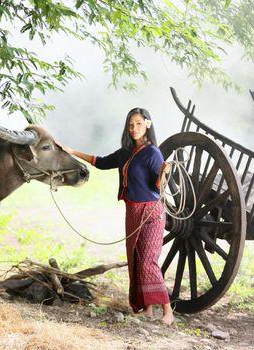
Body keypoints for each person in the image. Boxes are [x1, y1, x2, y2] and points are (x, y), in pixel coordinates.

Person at [58, 107, 174, 325]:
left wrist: (163, 172)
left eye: (139, 123)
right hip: (132, 211)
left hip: (151, 212)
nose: (134, 128)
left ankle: (167, 310)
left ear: (147, 124)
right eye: (131, 124)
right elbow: (100, 162)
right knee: (137, 260)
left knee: (149, 261)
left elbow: (158, 186)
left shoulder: (153, 153)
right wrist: (72, 151)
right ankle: (147, 309)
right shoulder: (124, 153)